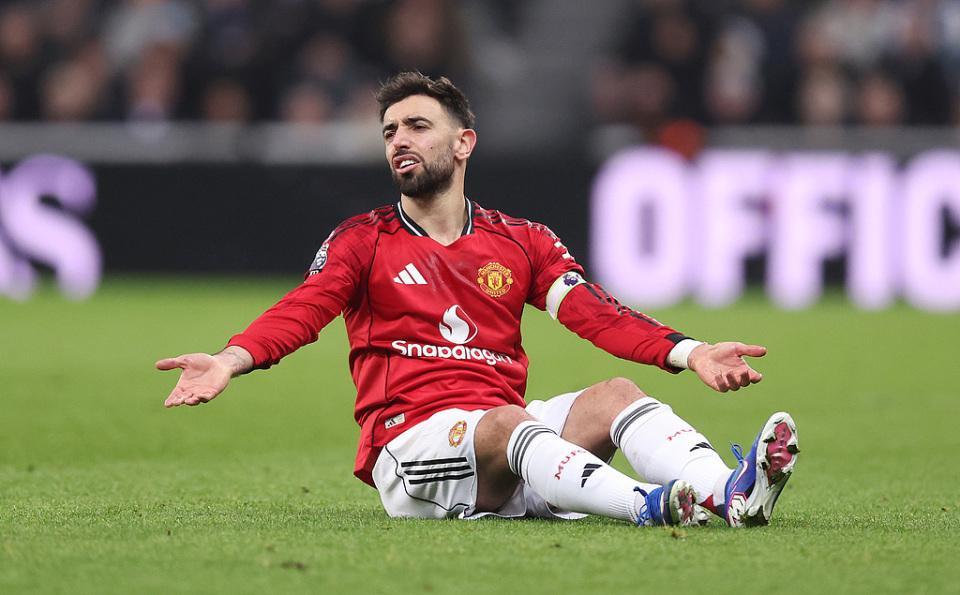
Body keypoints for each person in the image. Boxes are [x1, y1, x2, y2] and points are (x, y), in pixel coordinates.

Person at [156, 72, 799, 527]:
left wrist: (692, 353)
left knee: (615, 396)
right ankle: (648, 505)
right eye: (389, 130)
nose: (399, 140)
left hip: (506, 447)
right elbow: (303, 309)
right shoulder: (363, 241)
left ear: (463, 143)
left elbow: (596, 314)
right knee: (511, 424)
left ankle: (730, 494)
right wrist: (230, 359)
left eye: (417, 126)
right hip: (412, 448)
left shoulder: (521, 241)